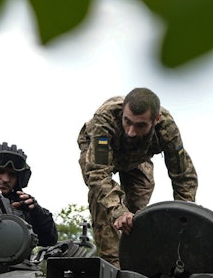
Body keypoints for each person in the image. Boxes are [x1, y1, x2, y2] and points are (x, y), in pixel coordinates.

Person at [77, 88, 198, 266]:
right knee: (105, 204)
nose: (131, 131)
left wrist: (183, 222)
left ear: (155, 120)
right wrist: (118, 210)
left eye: (140, 125)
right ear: (123, 112)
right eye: (127, 122)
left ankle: (138, 262)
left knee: (137, 216)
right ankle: (113, 265)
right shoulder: (105, 118)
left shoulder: (167, 129)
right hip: (99, 152)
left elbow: (183, 176)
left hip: (137, 158)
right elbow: (98, 173)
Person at [0, 143, 58, 246]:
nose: (5, 179)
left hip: (15, 262)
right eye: (0, 172)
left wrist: (37, 213)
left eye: (12, 174)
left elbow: (49, 240)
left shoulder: (23, 205)